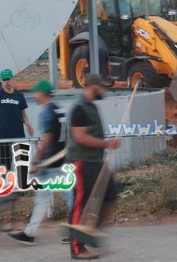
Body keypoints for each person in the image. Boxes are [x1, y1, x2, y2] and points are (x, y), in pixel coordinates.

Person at [9, 80, 73, 245]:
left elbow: (46, 139)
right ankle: (78, 230)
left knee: (45, 199)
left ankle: (30, 234)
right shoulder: (60, 109)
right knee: (68, 196)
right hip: (60, 160)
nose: (34, 96)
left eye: (36, 93)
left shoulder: (46, 112)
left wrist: (36, 161)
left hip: (49, 163)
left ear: (43, 94)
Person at [67, 74, 119, 260]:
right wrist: (107, 144)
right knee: (80, 203)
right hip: (81, 162)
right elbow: (80, 138)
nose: (104, 90)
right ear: (92, 86)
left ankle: (89, 232)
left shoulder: (92, 107)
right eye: (102, 87)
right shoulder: (79, 109)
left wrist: (106, 145)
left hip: (96, 161)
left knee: (111, 193)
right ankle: (77, 248)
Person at [0, 69, 34, 169]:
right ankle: (6, 184)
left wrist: (28, 125)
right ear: (1, 81)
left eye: (8, 79)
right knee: (4, 166)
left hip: (18, 134)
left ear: (12, 79)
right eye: (4, 80)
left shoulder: (19, 96)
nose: (6, 82)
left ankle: (21, 183)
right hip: (2, 136)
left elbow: (23, 113)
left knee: (21, 164)